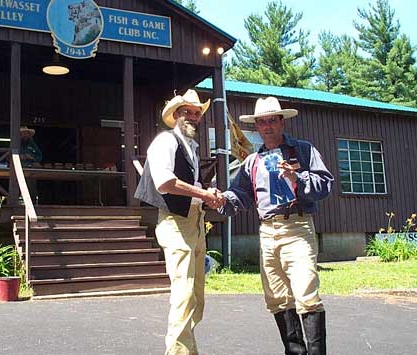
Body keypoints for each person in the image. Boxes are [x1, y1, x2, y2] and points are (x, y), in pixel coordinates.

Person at [217, 97, 334, 355]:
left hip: (297, 227)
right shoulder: (252, 162)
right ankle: (295, 352)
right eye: (261, 122)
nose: (267, 126)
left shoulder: (303, 150)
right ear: (256, 127)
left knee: (307, 294)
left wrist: (297, 177)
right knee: (278, 299)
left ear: (282, 122)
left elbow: (325, 184)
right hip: (267, 232)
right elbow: (241, 195)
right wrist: (220, 200)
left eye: (272, 120)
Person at [134, 89, 224, 355]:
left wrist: (209, 194)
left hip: (195, 220)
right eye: (188, 112)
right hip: (175, 223)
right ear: (175, 115)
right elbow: (165, 183)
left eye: (197, 113)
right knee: (184, 294)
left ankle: (187, 350)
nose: (193, 117)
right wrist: (203, 193)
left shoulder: (192, 147)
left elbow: (193, 186)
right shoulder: (165, 141)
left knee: (196, 297)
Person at [19, 126, 42, 203]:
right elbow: (8, 157)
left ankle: (33, 204)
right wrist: (20, 157)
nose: (25, 135)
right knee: (17, 187)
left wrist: (32, 158)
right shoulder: (15, 144)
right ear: (20, 134)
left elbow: (40, 156)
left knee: (32, 188)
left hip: (31, 170)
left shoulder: (33, 144)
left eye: (27, 133)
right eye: (24, 133)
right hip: (19, 169)